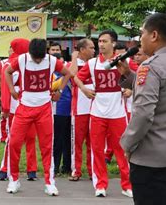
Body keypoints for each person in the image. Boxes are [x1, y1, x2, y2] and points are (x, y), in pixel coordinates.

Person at [118, 13, 166, 205]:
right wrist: (129, 74)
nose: (139, 39)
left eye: (141, 33)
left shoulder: (151, 67)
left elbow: (143, 114)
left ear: (154, 35)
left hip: (151, 160)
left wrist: (127, 144)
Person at [5, 38, 72, 195]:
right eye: (35, 57)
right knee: (14, 143)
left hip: (44, 108)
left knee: (46, 146)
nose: (37, 60)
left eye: (40, 57)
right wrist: (11, 90)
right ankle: (13, 180)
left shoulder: (51, 60)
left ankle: (50, 182)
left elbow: (67, 73)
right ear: (29, 52)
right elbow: (7, 72)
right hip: (24, 108)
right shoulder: (22, 59)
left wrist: (59, 91)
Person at [74, 30, 133, 198]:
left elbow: (139, 78)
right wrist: (84, 89)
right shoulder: (92, 63)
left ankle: (126, 185)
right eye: (99, 41)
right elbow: (76, 77)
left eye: (104, 41)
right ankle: (100, 184)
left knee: (122, 149)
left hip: (118, 114)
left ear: (113, 43)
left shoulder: (123, 61)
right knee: (97, 149)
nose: (101, 44)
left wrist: (129, 88)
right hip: (97, 113)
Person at [0, 38, 38, 182]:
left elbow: (6, 88)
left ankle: (7, 169)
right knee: (26, 138)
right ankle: (29, 170)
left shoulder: (11, 63)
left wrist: (5, 108)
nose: (11, 49)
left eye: (12, 47)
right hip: (27, 104)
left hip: (19, 104)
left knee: (14, 139)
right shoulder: (28, 63)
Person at [68, 38, 96, 181]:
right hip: (79, 110)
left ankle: (93, 172)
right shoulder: (73, 64)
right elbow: (72, 76)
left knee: (93, 142)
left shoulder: (95, 63)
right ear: (82, 50)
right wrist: (74, 57)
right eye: (91, 48)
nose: (94, 50)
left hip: (95, 109)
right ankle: (76, 171)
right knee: (77, 142)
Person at [51, 53, 72, 176]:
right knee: (57, 140)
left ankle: (67, 166)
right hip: (56, 111)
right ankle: (55, 166)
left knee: (68, 140)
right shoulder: (51, 75)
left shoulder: (68, 74)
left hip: (69, 111)